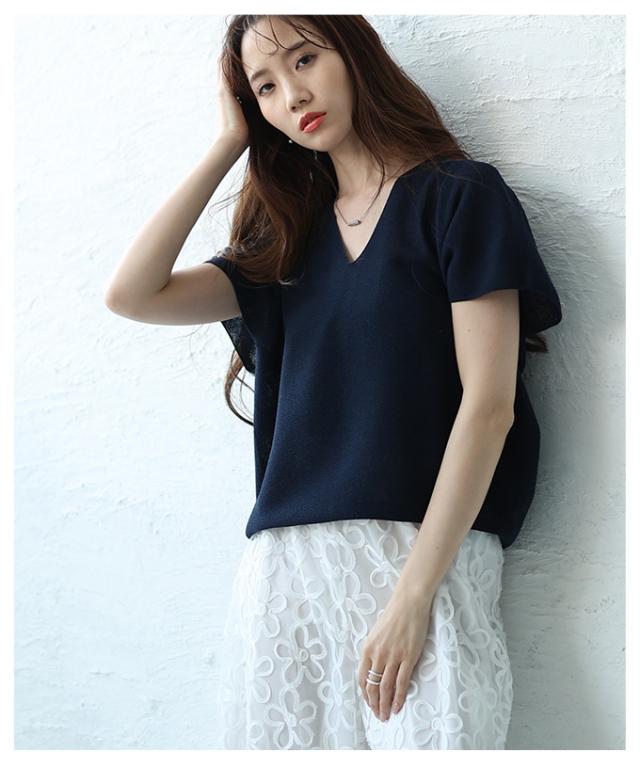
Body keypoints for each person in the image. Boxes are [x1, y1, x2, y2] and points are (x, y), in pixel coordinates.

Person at [104, 15, 563, 750]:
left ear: (354, 55)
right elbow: (133, 295)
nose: (292, 95)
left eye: (304, 60)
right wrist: (228, 143)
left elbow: (489, 408)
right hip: (288, 578)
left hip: (426, 562)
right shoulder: (284, 244)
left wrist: (414, 595)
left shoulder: (459, 198)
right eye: (264, 88)